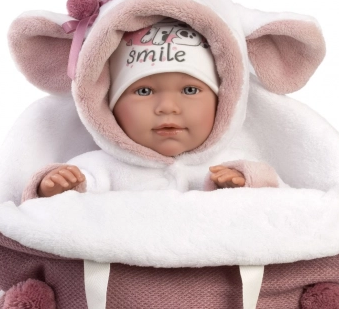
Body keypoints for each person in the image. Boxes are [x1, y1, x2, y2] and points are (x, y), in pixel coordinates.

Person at [28, 19, 281, 199]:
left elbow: (282, 207)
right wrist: (51, 188)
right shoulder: (97, 168)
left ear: (224, 104)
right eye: (144, 91)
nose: (167, 107)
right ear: (108, 108)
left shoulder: (232, 164)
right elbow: (51, 221)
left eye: (190, 90)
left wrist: (249, 183)